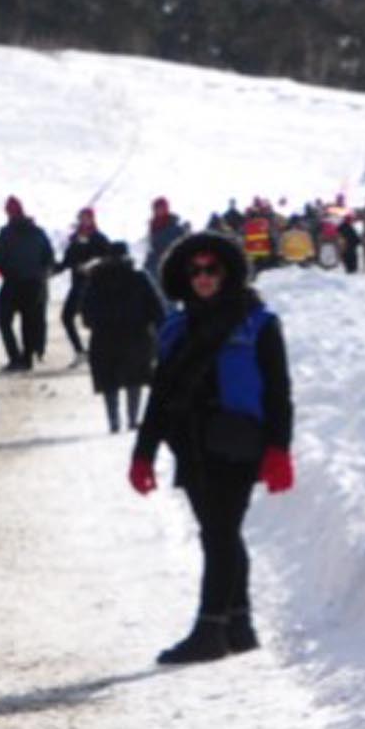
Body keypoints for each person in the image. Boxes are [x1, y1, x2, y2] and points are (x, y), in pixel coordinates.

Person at [128, 228, 295, 666]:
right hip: (192, 445)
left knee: (220, 533)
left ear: (228, 272)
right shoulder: (176, 328)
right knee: (220, 533)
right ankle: (239, 625)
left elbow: (279, 392)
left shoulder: (258, 323)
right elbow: (161, 394)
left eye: (212, 269)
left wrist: (279, 449)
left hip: (238, 442)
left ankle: (209, 628)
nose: (203, 277)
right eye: (195, 270)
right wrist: (143, 453)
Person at [80, 237, 162, 434]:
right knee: (135, 379)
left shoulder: (96, 279)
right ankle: (133, 419)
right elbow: (156, 308)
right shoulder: (139, 277)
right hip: (136, 337)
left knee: (109, 381)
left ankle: (113, 421)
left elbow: (85, 312)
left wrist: (96, 324)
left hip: (104, 338)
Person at [0, 195, 57, 370]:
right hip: (35, 283)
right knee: (29, 321)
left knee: (4, 320)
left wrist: (0, 270)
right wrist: (42, 274)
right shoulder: (38, 231)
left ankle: (16, 358)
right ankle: (27, 359)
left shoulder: (6, 233)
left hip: (13, 282)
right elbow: (49, 257)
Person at [57, 206, 112, 358]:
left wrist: (94, 265)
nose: (84, 220)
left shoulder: (100, 238)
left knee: (94, 320)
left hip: (96, 286)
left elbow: (109, 259)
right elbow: (67, 261)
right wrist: (52, 270)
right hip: (78, 286)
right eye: (81, 218)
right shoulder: (75, 239)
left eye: (87, 217)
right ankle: (80, 350)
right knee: (67, 317)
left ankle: (100, 350)